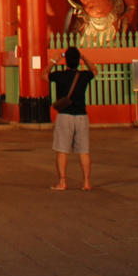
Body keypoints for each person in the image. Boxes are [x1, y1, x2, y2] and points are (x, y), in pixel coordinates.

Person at [48, 46, 99, 191]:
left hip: (65, 117)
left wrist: (53, 60)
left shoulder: (60, 75)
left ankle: (62, 182)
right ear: (77, 61)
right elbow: (95, 70)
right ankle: (86, 182)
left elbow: (43, 75)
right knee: (84, 151)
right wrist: (84, 57)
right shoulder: (84, 76)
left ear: (66, 62)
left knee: (62, 150)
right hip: (82, 117)